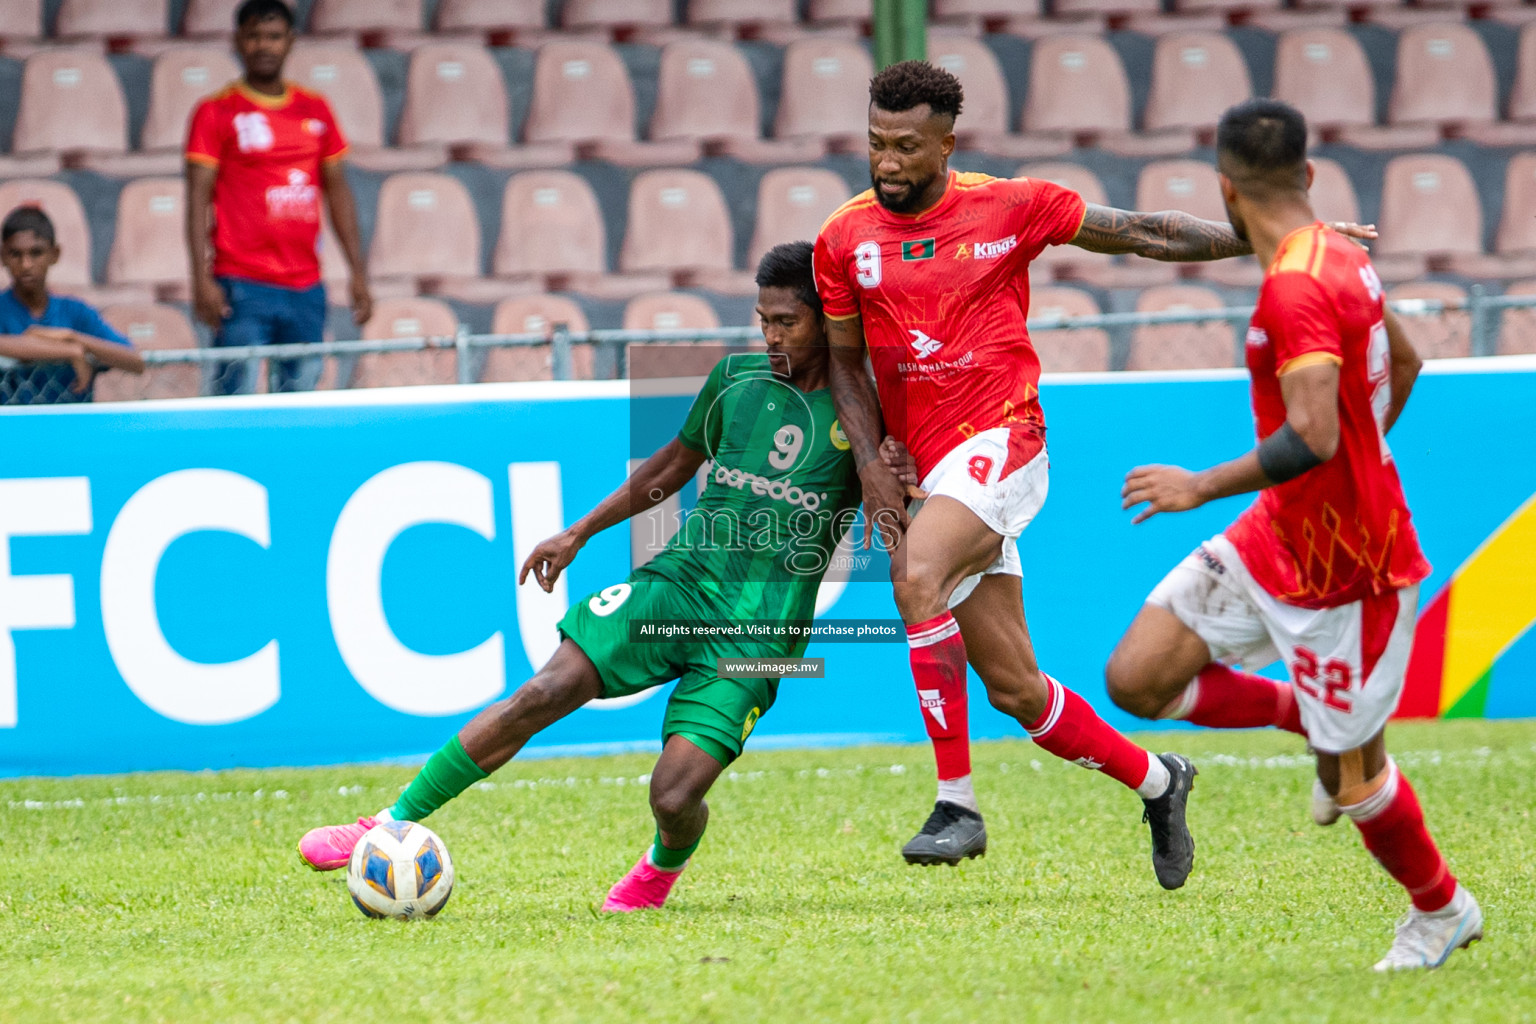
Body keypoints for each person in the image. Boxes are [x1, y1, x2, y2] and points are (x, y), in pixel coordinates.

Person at [815, 61, 1372, 882]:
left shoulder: (1013, 205)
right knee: (1016, 690)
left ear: (946, 144)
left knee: (914, 572)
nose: (887, 163)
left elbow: (1148, 232)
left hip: (1006, 440)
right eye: (874, 145)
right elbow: (844, 366)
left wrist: (1280, 241)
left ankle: (957, 804)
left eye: (905, 147)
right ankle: (1159, 782)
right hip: (931, 472)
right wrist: (869, 461)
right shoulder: (844, 238)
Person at [298, 243, 885, 911]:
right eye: (764, 320)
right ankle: (388, 822)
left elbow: (894, 504)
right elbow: (667, 470)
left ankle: (660, 869)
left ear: (830, 321)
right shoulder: (735, 380)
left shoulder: (867, 411)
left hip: (756, 634)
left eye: (789, 322)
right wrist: (579, 532)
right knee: (547, 688)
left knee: (674, 794)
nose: (772, 336)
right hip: (679, 584)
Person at [1105, 98, 1480, 971]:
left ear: (1226, 193)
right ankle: (1309, 722)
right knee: (1138, 678)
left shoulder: (1299, 286)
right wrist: (1365, 448)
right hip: (1279, 533)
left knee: (1358, 784)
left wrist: (1199, 484)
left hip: (1353, 566)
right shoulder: (1343, 252)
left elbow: (1310, 434)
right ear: (1308, 176)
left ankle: (1441, 910)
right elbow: (1409, 364)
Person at [184, 0, 370, 396]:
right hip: (241, 281)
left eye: (273, 36)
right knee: (234, 397)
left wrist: (358, 273)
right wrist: (201, 279)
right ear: (238, 41)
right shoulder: (216, 112)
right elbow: (197, 200)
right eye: (253, 36)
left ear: (290, 42)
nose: (263, 46)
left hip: (305, 285)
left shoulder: (315, 108)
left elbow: (338, 192)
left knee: (301, 398)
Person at [0, 206, 144, 405]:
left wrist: (72, 337)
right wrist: (69, 351)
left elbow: (135, 361)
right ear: (3, 257)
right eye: (16, 254)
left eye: (36, 253)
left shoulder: (75, 312)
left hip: (74, 428)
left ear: (55, 254)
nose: (26, 264)